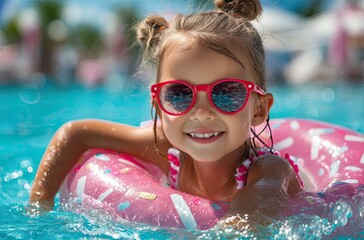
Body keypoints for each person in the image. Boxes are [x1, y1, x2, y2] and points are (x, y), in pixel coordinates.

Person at [29, 0, 302, 229]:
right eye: (180, 94)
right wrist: (38, 208)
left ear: (259, 109)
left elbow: (248, 224)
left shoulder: (268, 171)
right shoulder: (163, 147)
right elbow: (77, 133)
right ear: (159, 103)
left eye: (227, 92)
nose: (201, 112)